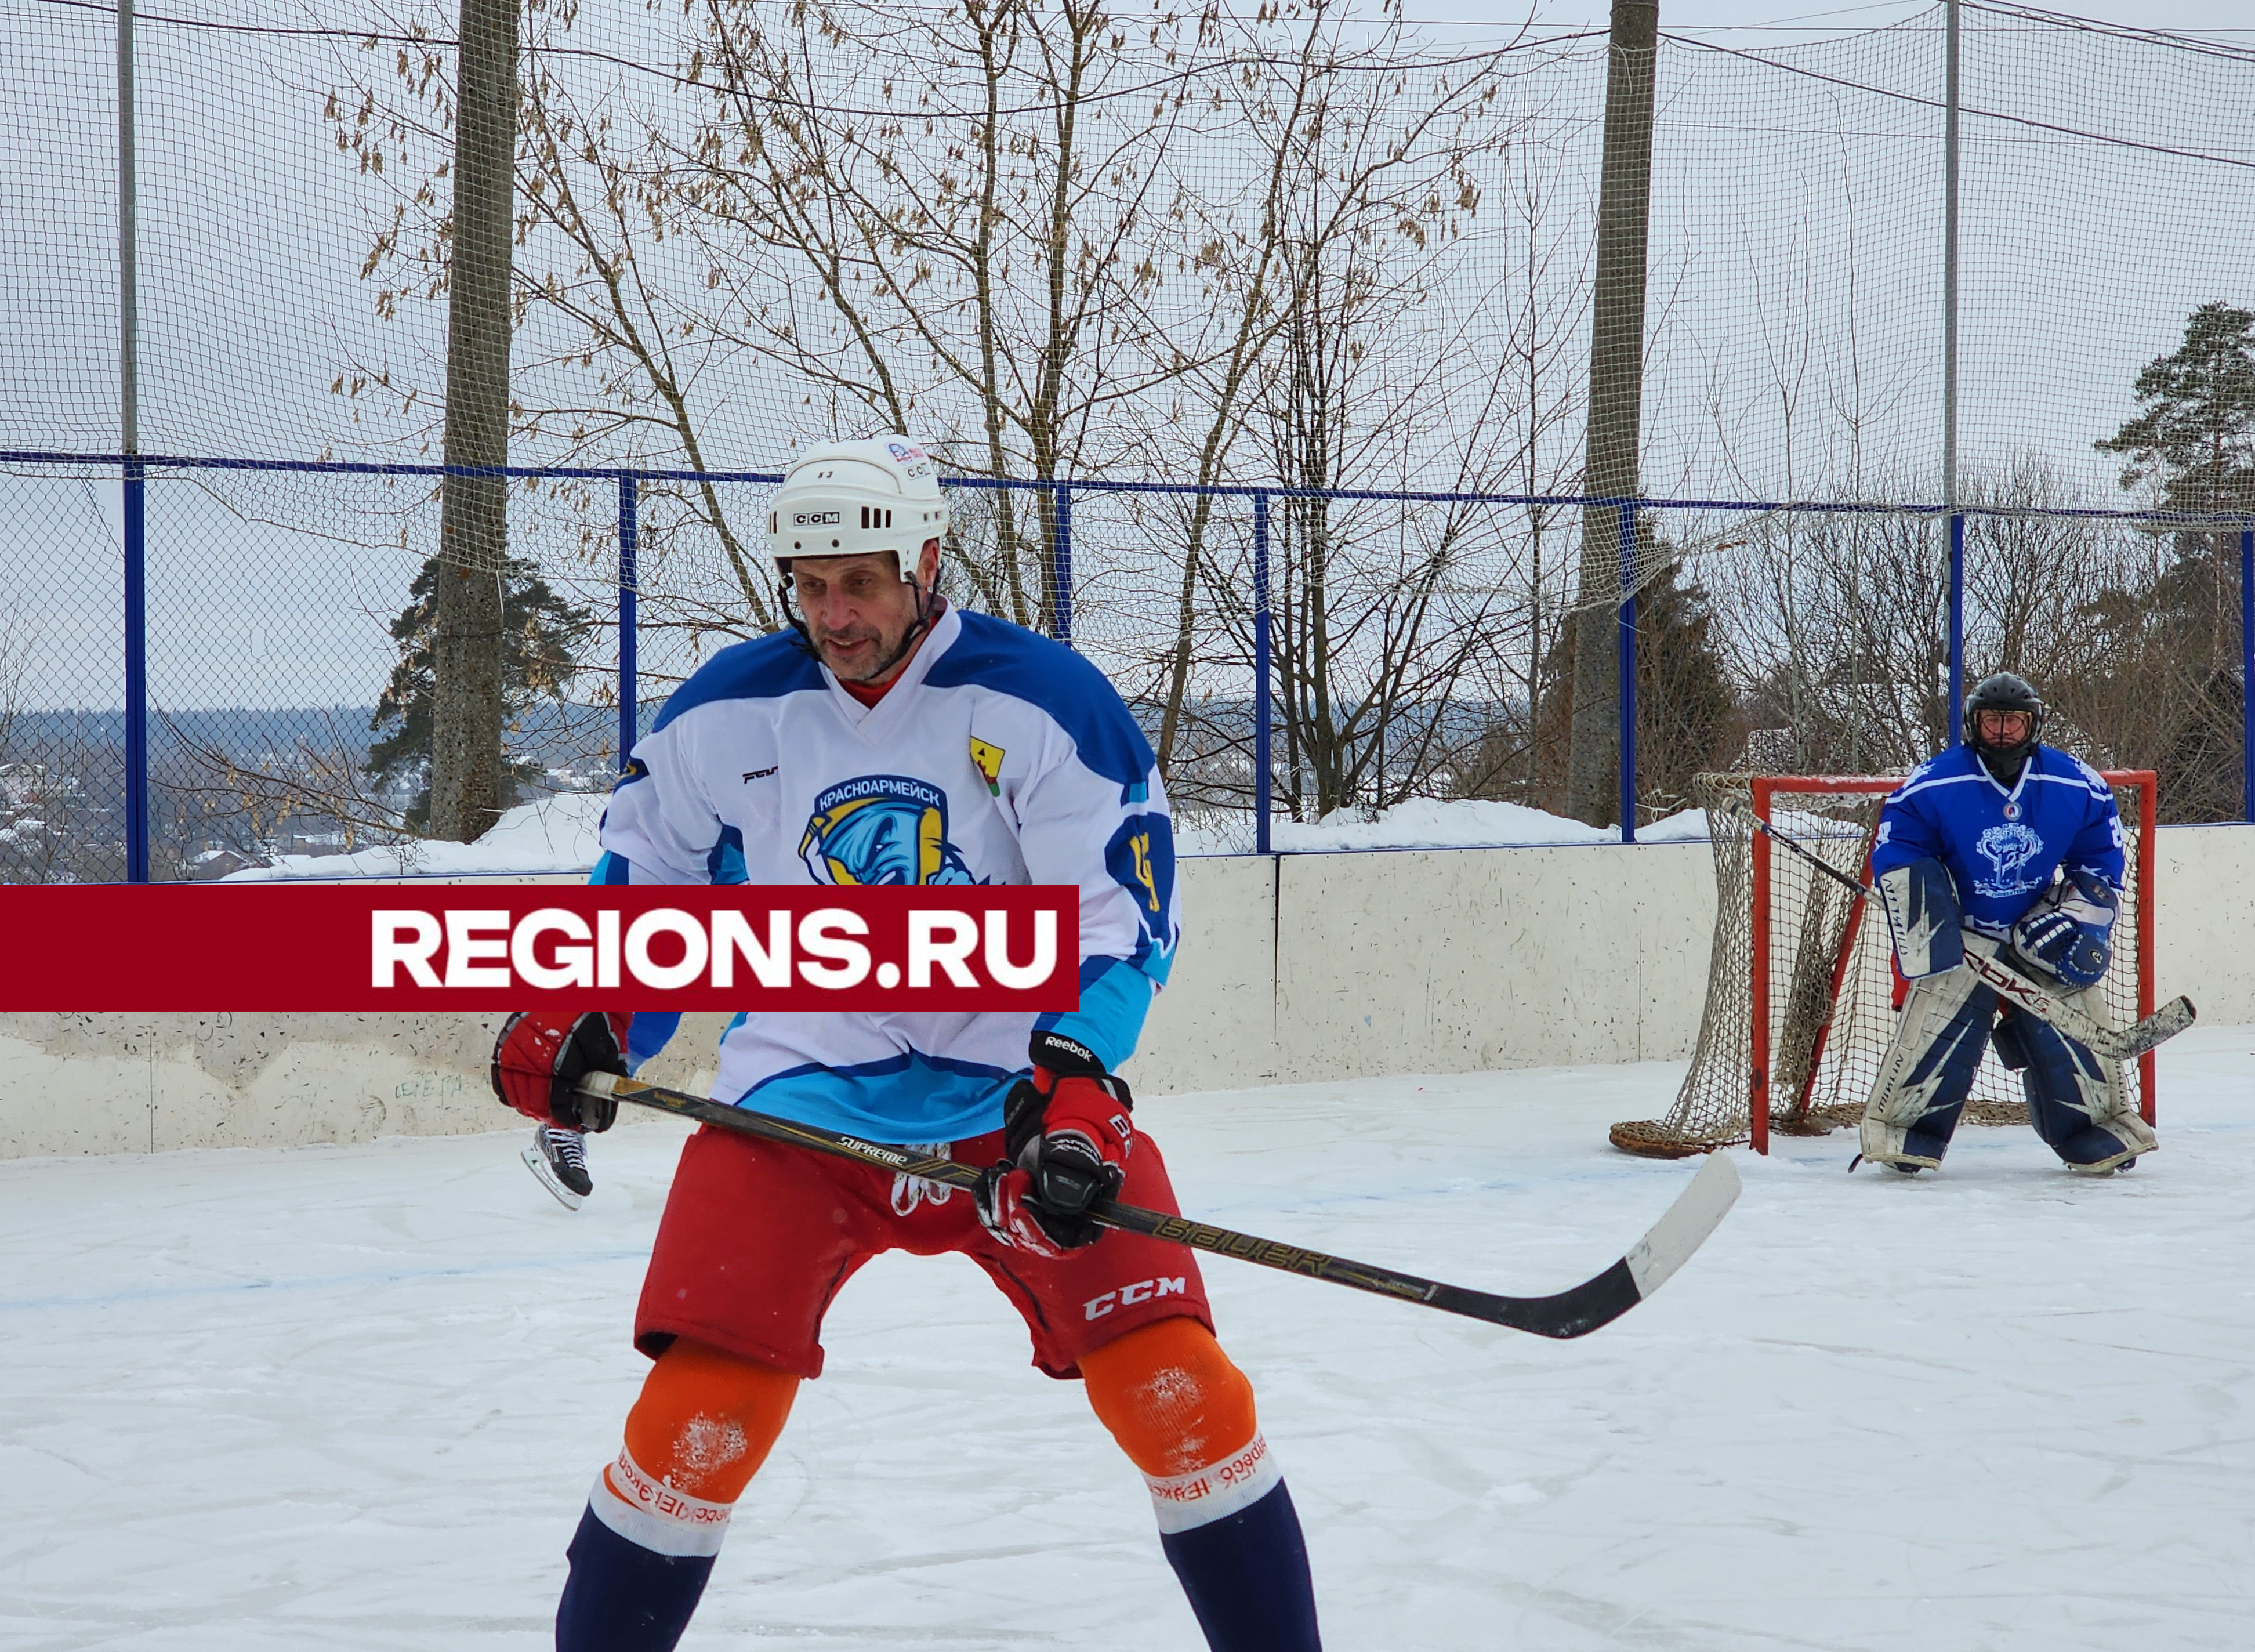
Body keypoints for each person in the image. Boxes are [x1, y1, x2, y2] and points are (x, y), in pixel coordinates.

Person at [490, 437, 1322, 1651]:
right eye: (813, 585)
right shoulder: (728, 709)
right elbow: (650, 895)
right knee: (696, 1423)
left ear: (928, 562)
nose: (837, 613)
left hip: (1016, 1104)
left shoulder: (1040, 697)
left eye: (865, 582)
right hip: (796, 1105)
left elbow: (1122, 913)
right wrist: (594, 1016)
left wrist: (1078, 1081)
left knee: (1181, 1393)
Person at [1860, 671, 2159, 1175]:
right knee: (1939, 1026)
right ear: (1973, 724)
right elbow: (1898, 849)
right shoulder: (1933, 781)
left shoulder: (2075, 782)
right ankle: (1906, 1131)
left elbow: (2101, 860)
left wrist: (2076, 919)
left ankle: (2097, 1127)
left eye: (2013, 721)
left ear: (2034, 725)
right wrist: (1928, 913)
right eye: (1992, 720)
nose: (2002, 731)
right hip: (1964, 933)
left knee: (2071, 1022)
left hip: (2037, 929)